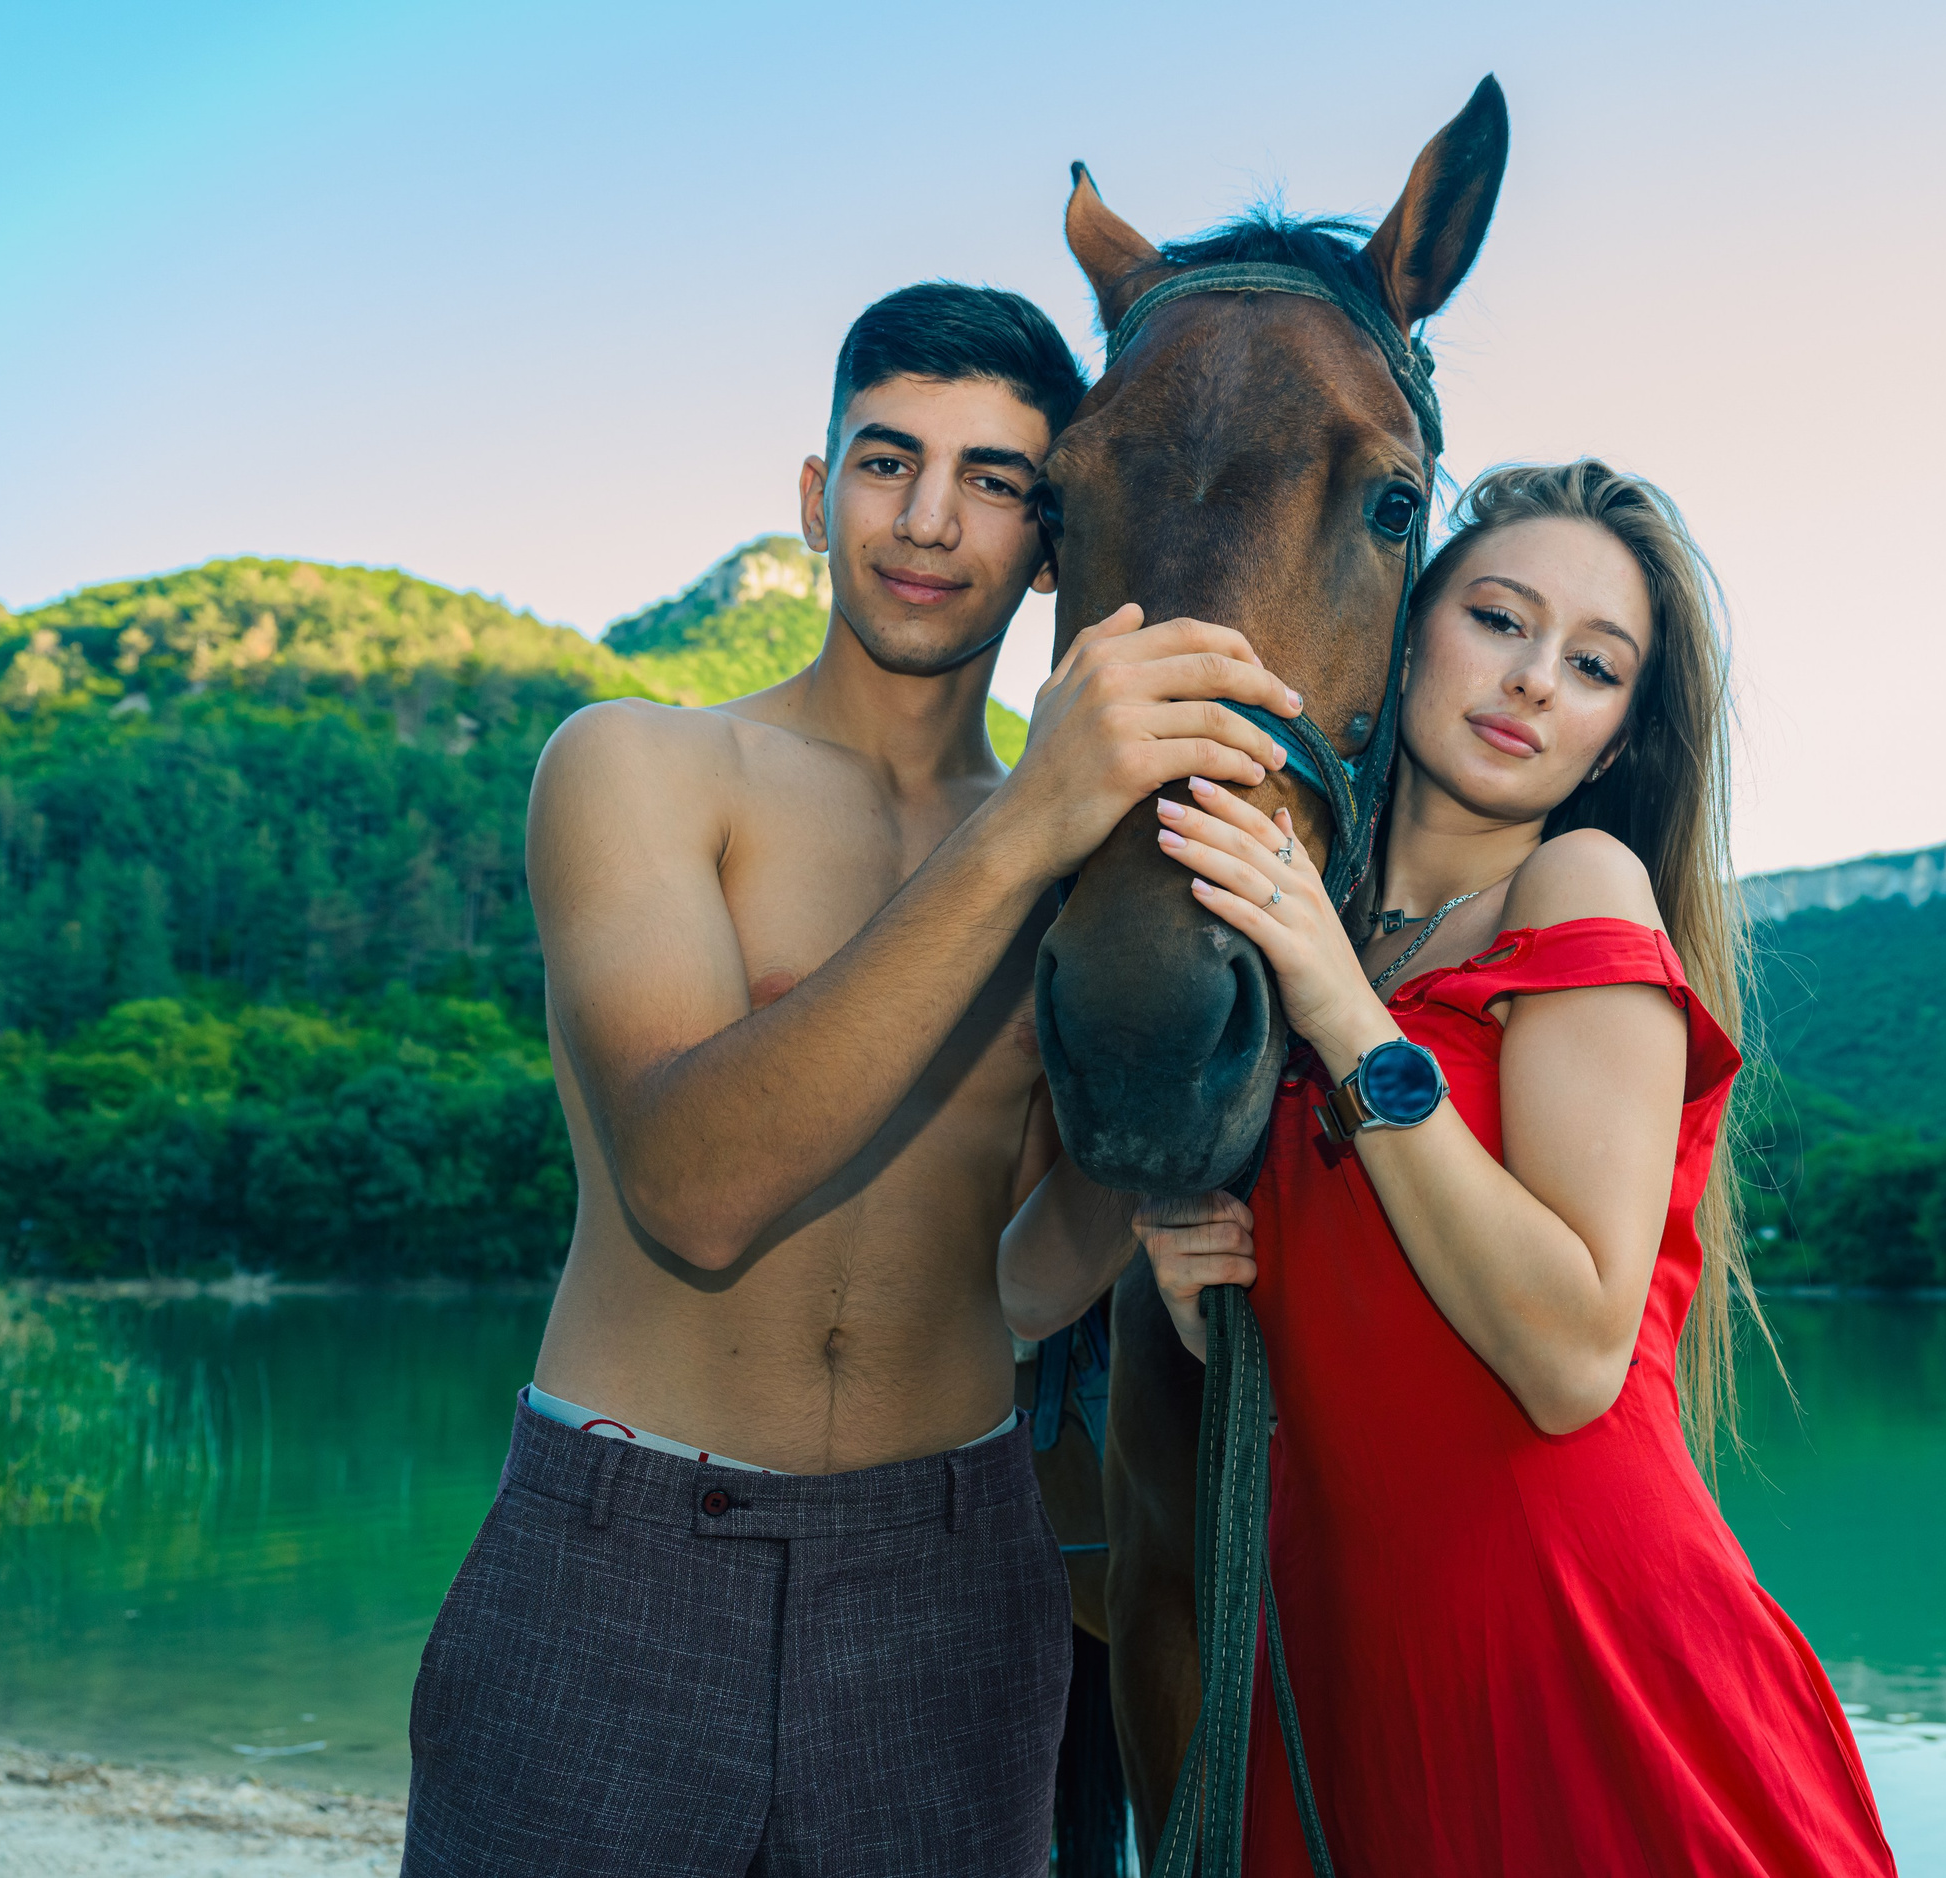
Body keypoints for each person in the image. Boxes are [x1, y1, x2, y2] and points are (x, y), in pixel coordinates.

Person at [402, 281, 1305, 1877]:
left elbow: (1018, 1280)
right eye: (889, 461)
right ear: (818, 495)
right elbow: (693, 1186)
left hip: (951, 1578)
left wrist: (1162, 1144)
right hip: (620, 1559)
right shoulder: (642, 765)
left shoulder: (1090, 865)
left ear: (1049, 541)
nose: (929, 520)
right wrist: (1024, 826)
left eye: (994, 480)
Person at [1006, 460, 1897, 1875]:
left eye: (1594, 665)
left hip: (1573, 1637)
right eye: (1499, 618)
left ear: (1613, 741)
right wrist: (1213, 1298)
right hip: (1346, 1660)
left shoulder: (1573, 888)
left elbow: (1570, 1353)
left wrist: (1341, 1007)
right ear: (1409, 631)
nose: (1534, 678)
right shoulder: (1293, 936)